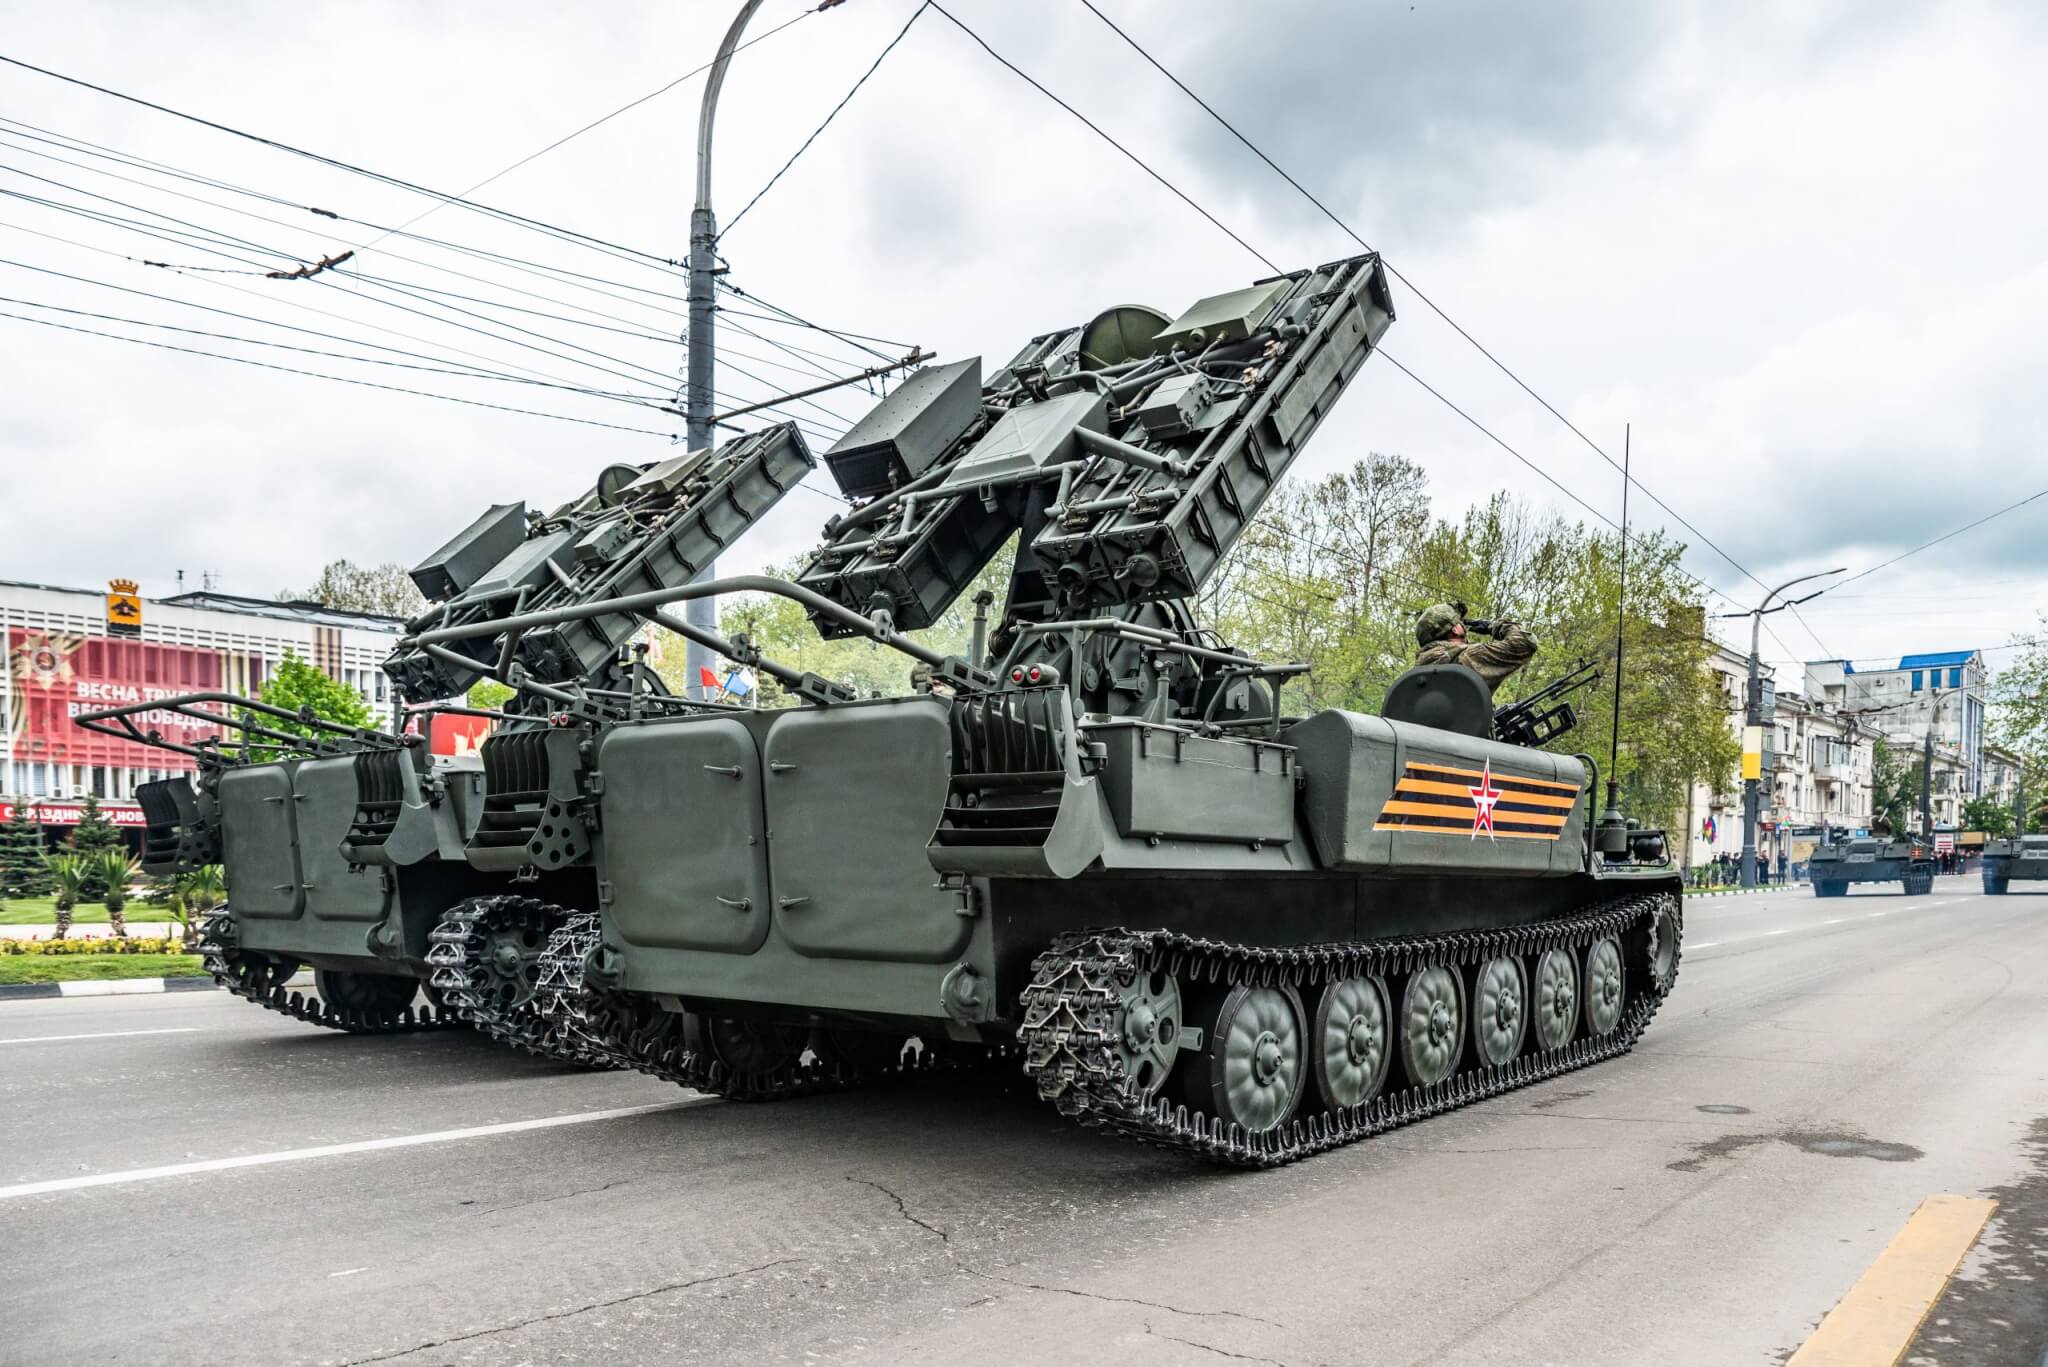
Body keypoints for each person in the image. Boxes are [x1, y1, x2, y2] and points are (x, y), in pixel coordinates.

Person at [1413, 603, 1538, 696]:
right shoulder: (1468, 657)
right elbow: (1527, 642)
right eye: (1459, 622)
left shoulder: (1420, 670)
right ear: (1455, 630)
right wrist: (1493, 626)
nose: (1463, 625)